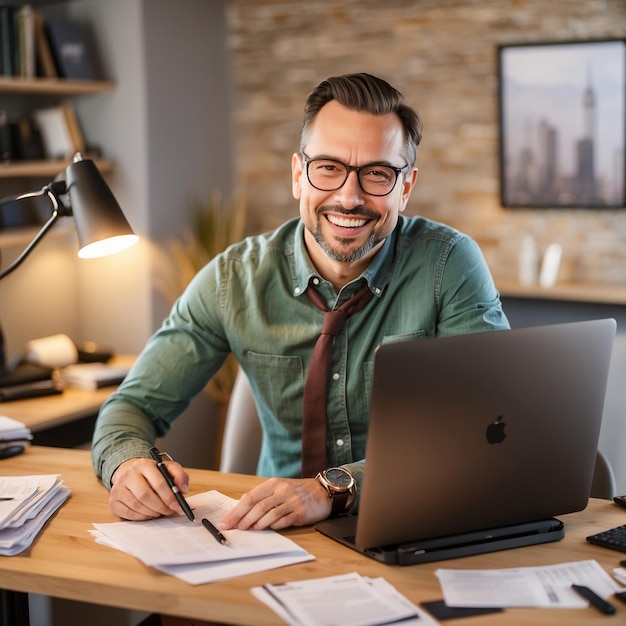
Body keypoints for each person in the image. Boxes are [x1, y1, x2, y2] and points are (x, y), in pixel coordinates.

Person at [92, 72, 509, 534]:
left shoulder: (449, 264)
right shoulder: (233, 280)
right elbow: (131, 408)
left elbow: (485, 425)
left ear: (405, 188)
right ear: (298, 175)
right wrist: (128, 467)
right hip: (270, 539)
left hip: (417, 522)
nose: (349, 197)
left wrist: (334, 488)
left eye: (377, 174)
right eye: (328, 168)